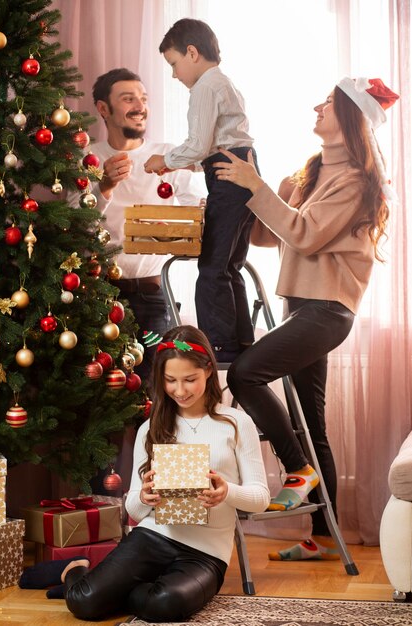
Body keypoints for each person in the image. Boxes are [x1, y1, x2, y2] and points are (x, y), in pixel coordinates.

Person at [213, 77, 399, 561]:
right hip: (301, 306)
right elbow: (268, 238)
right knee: (311, 422)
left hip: (328, 310)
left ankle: (298, 470)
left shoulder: (357, 181)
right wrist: (247, 197)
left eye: (330, 103)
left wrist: (260, 191)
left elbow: (306, 236)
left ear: (353, 120)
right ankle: (322, 536)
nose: (317, 107)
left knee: (245, 373)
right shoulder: (312, 173)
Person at [20, 325, 270, 622]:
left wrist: (227, 491)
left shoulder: (237, 423)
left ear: (208, 372)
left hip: (205, 553)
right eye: (170, 381)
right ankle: (76, 568)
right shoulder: (150, 429)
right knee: (83, 603)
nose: (180, 390)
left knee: (166, 604)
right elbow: (133, 506)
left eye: (190, 379)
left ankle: (119, 588)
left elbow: (261, 498)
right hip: (154, 535)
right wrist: (146, 497)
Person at [143, 19, 260, 363]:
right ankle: (241, 340)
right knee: (230, 265)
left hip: (229, 178)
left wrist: (163, 159)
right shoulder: (226, 84)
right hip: (240, 170)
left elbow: (197, 146)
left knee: (210, 269)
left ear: (192, 53)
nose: (175, 75)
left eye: (174, 64)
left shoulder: (205, 88)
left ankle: (219, 346)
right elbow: (213, 149)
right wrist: (181, 163)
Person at [87, 68, 205, 382]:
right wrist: (105, 187)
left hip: (154, 299)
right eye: (128, 99)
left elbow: (198, 211)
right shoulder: (87, 159)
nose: (140, 106)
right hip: (98, 299)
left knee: (157, 386)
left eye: (143, 99)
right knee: (103, 390)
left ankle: (156, 433)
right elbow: (76, 226)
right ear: (103, 109)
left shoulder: (168, 156)